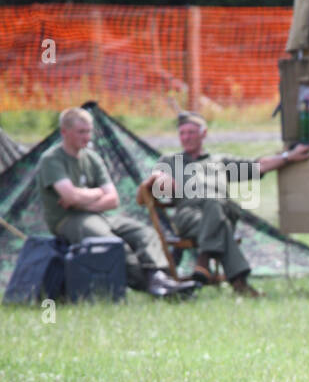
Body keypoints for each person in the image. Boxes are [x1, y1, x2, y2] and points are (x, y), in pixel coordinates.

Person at [144, 112, 309, 298]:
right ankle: (237, 282)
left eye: (191, 132)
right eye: (182, 133)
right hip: (189, 217)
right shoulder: (171, 161)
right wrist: (159, 178)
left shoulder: (220, 162)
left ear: (203, 134)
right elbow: (148, 189)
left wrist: (288, 157)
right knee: (217, 212)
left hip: (220, 214)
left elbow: (259, 166)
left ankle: (204, 261)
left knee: (216, 205)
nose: (186, 137)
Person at [36, 107, 194, 298]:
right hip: (67, 219)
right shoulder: (51, 160)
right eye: (81, 132)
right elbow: (70, 197)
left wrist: (83, 199)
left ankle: (158, 276)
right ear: (64, 132)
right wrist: (96, 194)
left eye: (88, 131)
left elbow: (112, 199)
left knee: (144, 233)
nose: (86, 137)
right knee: (113, 245)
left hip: (97, 214)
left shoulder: (92, 158)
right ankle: (153, 286)